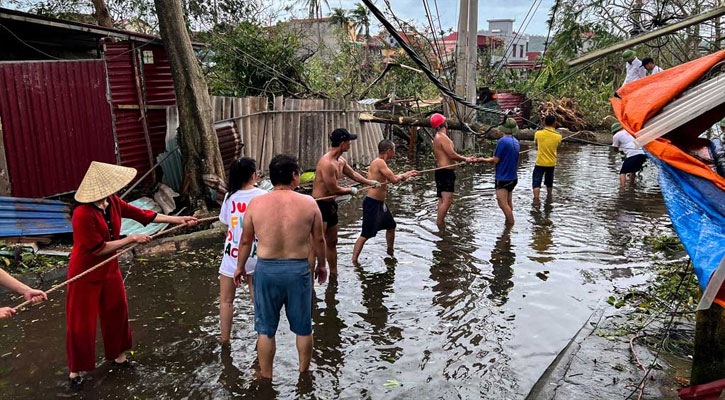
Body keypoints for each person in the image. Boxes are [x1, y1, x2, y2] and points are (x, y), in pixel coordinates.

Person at [66, 161, 198, 389]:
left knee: (117, 310)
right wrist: (131, 239)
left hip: (109, 268)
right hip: (85, 272)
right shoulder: (82, 214)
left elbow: (144, 215)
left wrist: (178, 219)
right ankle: (75, 371)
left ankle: (118, 356)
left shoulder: (113, 203)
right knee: (81, 322)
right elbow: (98, 248)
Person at [233, 154, 327, 380]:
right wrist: (322, 265)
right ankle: (304, 375)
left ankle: (267, 377)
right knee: (304, 327)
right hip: (298, 271)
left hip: (267, 271)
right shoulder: (309, 203)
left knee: (265, 330)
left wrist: (239, 267)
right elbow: (319, 240)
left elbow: (245, 241)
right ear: (295, 176)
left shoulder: (256, 204)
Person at [310, 128, 378, 275]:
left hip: (331, 205)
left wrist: (369, 182)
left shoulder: (340, 160)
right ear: (343, 143)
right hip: (319, 205)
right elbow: (333, 188)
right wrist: (350, 190)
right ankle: (310, 279)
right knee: (316, 244)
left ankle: (334, 274)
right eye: (349, 141)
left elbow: (352, 174)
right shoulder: (327, 163)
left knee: (332, 241)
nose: (351, 144)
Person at [218, 157, 266, 343]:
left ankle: (225, 340)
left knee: (226, 300)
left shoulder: (230, 197)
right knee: (257, 298)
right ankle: (263, 336)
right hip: (257, 252)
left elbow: (225, 222)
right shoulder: (263, 195)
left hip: (233, 254)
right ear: (254, 175)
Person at [351, 140, 418, 264]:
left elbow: (393, 177)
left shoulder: (381, 163)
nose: (395, 152)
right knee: (365, 234)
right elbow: (393, 180)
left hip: (380, 203)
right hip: (372, 203)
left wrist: (406, 174)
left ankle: (390, 252)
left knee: (391, 226)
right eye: (394, 150)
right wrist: (405, 175)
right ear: (388, 151)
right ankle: (354, 261)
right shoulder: (380, 162)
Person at [431, 113, 476, 227]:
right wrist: (465, 159)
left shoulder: (437, 137)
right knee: (447, 200)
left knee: (442, 199)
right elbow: (452, 155)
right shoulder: (442, 138)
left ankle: (440, 223)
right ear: (444, 124)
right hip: (446, 172)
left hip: (441, 171)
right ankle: (440, 224)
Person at [481, 118, 521, 225]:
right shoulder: (516, 141)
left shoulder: (502, 141)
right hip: (513, 178)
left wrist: (481, 159)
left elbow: (495, 160)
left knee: (502, 204)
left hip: (503, 178)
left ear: (503, 129)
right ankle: (508, 223)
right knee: (508, 202)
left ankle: (510, 226)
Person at [532, 115, 562, 201]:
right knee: (549, 182)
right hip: (551, 163)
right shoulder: (558, 136)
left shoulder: (538, 134)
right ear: (554, 123)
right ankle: (549, 198)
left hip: (540, 162)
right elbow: (557, 145)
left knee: (536, 182)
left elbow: (536, 145)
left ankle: (536, 200)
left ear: (544, 123)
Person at [611, 122, 647, 188]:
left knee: (623, 172)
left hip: (633, 154)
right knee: (633, 170)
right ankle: (631, 186)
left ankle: (622, 189)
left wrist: (618, 148)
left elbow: (615, 149)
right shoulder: (630, 131)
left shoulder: (616, 136)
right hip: (643, 154)